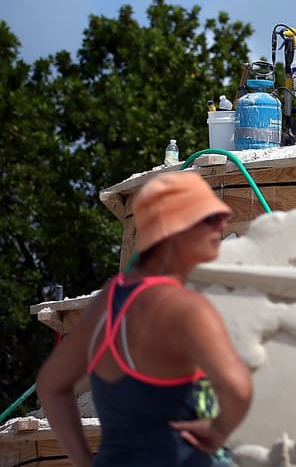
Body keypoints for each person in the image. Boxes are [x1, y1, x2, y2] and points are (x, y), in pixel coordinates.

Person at [36, 172, 252, 465]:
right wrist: (217, 432)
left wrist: (84, 461)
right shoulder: (186, 308)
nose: (222, 225)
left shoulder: (108, 301)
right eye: (208, 219)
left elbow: (51, 386)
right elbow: (238, 389)